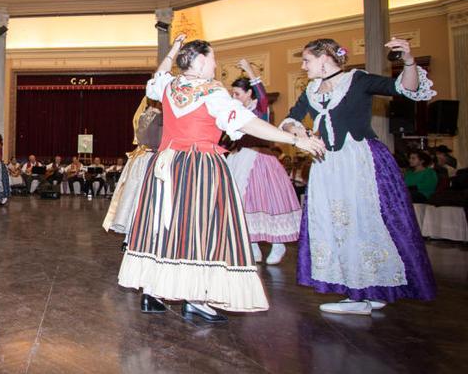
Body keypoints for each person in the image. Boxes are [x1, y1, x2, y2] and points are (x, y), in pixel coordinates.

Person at [119, 36, 325, 323]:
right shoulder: (212, 93)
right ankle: (196, 298)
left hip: (165, 165)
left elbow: (159, 75)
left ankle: (152, 290)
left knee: (163, 226)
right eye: (213, 58)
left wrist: (174, 49)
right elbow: (248, 122)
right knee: (202, 228)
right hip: (199, 165)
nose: (216, 64)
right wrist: (294, 140)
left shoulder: (169, 86)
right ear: (201, 61)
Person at [281, 37, 436, 315]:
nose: (303, 67)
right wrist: (299, 132)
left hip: (359, 162)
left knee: (365, 223)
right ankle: (358, 291)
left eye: (307, 60)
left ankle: (370, 291)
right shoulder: (311, 90)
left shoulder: (358, 80)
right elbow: (292, 118)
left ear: (324, 59)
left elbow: (404, 87)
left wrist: (409, 59)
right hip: (327, 165)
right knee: (337, 225)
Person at [226, 58, 303, 265]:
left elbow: (261, 92)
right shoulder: (236, 112)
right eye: (232, 93)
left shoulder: (259, 108)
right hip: (239, 158)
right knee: (242, 202)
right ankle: (252, 245)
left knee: (268, 200)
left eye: (237, 93)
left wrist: (249, 70)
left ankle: (278, 244)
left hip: (261, 159)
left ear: (248, 93)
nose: (234, 97)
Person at [103, 98, 162, 235]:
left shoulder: (143, 115)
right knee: (144, 196)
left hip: (140, 158)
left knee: (132, 195)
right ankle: (142, 231)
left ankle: (131, 233)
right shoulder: (159, 117)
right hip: (151, 158)